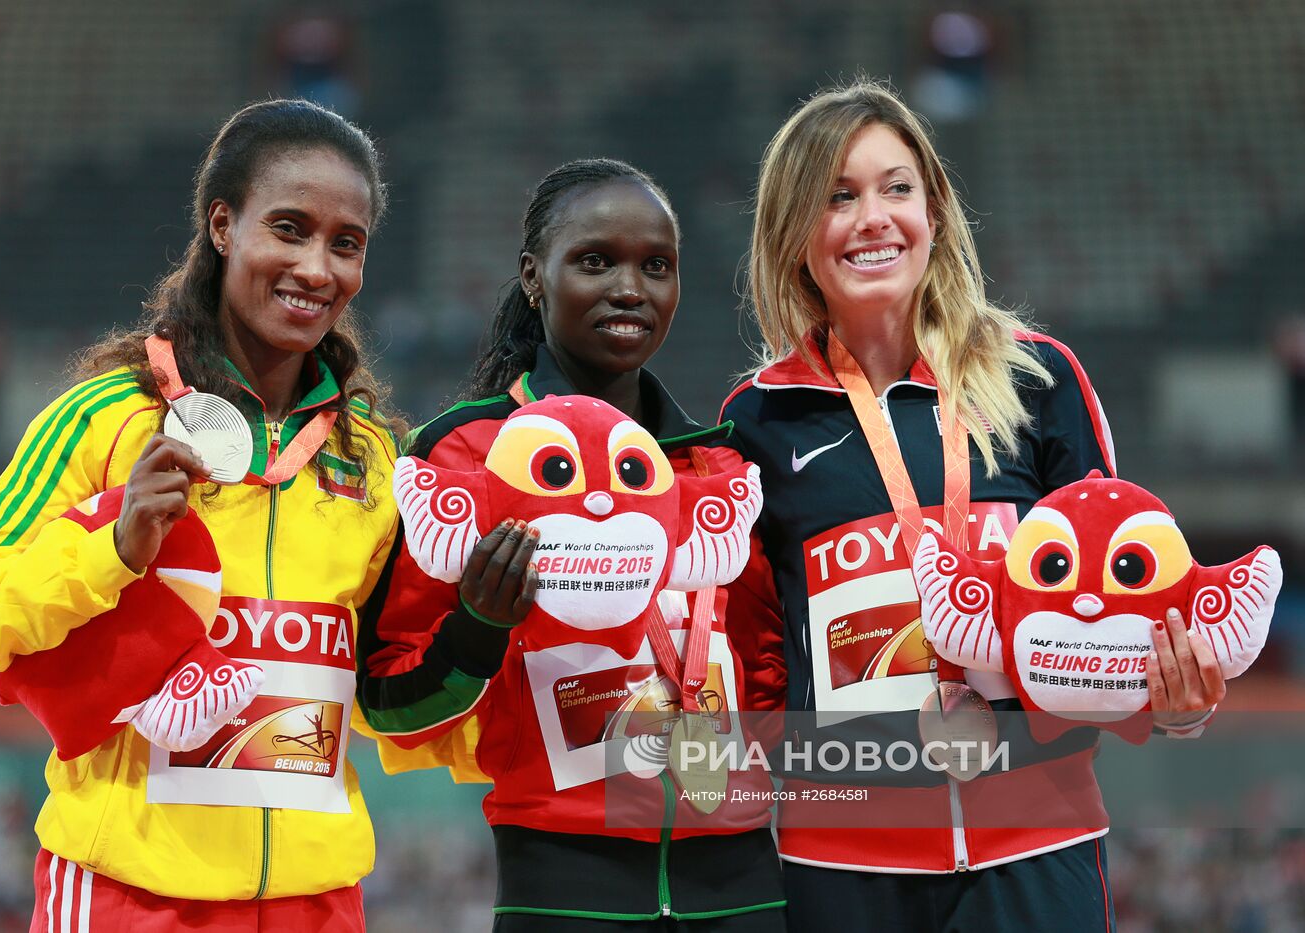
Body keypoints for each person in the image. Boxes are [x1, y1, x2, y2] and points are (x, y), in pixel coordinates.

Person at [720, 81, 1225, 933]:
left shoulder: (1038, 378)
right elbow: (756, 660)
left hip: (1037, 846)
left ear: (936, 209)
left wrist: (1173, 705)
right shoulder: (757, 419)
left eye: (896, 187)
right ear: (793, 235)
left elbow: (1120, 611)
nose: (873, 217)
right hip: (843, 863)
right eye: (838, 197)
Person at [0, 98, 405, 932]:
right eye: (288, 228)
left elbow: (388, 677)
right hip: (129, 896)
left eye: (344, 243)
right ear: (223, 226)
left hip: (317, 903)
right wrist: (113, 546)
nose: (317, 268)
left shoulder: (370, 457)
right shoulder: (109, 416)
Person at [357, 158, 786, 931]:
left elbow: (765, 668)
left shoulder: (718, 464)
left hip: (745, 885)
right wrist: (478, 631)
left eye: (657, 266)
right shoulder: (461, 457)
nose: (630, 288)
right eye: (596, 261)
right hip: (561, 885)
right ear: (534, 276)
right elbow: (389, 699)